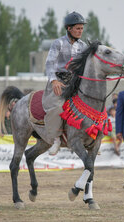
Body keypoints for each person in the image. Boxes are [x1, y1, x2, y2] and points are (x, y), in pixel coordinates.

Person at [42, 11, 87, 155]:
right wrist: (54, 80)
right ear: (69, 28)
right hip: (59, 81)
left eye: (82, 28)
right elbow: (49, 63)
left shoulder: (83, 46)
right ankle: (55, 139)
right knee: (57, 106)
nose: (81, 31)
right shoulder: (58, 43)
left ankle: (88, 138)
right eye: (78, 28)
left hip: (76, 82)